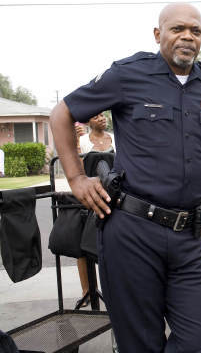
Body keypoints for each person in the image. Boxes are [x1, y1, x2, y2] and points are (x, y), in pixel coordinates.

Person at [50, 3, 201, 353]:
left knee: (198, 340)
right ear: (158, 34)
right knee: (140, 344)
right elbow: (63, 112)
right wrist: (76, 178)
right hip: (132, 232)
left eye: (195, 30)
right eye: (178, 29)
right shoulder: (128, 74)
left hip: (189, 236)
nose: (187, 37)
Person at [73, 113, 116, 308]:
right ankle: (88, 291)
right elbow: (77, 170)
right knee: (83, 243)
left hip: (114, 196)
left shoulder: (115, 138)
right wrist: (75, 143)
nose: (101, 118)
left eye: (103, 115)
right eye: (96, 116)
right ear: (87, 121)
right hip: (89, 197)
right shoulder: (81, 140)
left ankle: (116, 290)